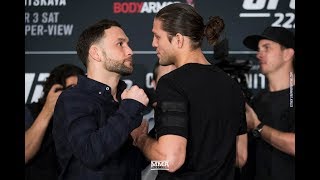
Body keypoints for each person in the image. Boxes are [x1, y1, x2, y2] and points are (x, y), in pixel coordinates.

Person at [131, 3, 247, 179]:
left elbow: (169, 162)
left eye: (157, 36)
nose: (153, 43)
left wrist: (141, 141)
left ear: (178, 39)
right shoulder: (232, 86)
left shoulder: (172, 83)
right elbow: (240, 157)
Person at [52, 19, 149, 180]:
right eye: (120, 44)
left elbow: (132, 165)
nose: (130, 51)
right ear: (96, 53)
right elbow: (90, 153)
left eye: (128, 44)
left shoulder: (123, 99)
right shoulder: (74, 99)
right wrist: (130, 108)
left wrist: (146, 143)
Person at [242, 26, 295, 180]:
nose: (259, 54)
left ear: (287, 54)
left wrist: (258, 126)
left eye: (267, 48)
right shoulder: (257, 101)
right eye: (259, 49)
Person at [25, 64, 85, 180]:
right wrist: (47, 110)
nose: (77, 94)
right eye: (71, 88)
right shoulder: (32, 111)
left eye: (80, 88)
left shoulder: (88, 115)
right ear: (56, 90)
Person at [141, 61, 176, 180]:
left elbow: (172, 163)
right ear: (154, 84)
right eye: (165, 81)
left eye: (177, 80)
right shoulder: (140, 125)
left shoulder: (197, 123)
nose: (172, 87)